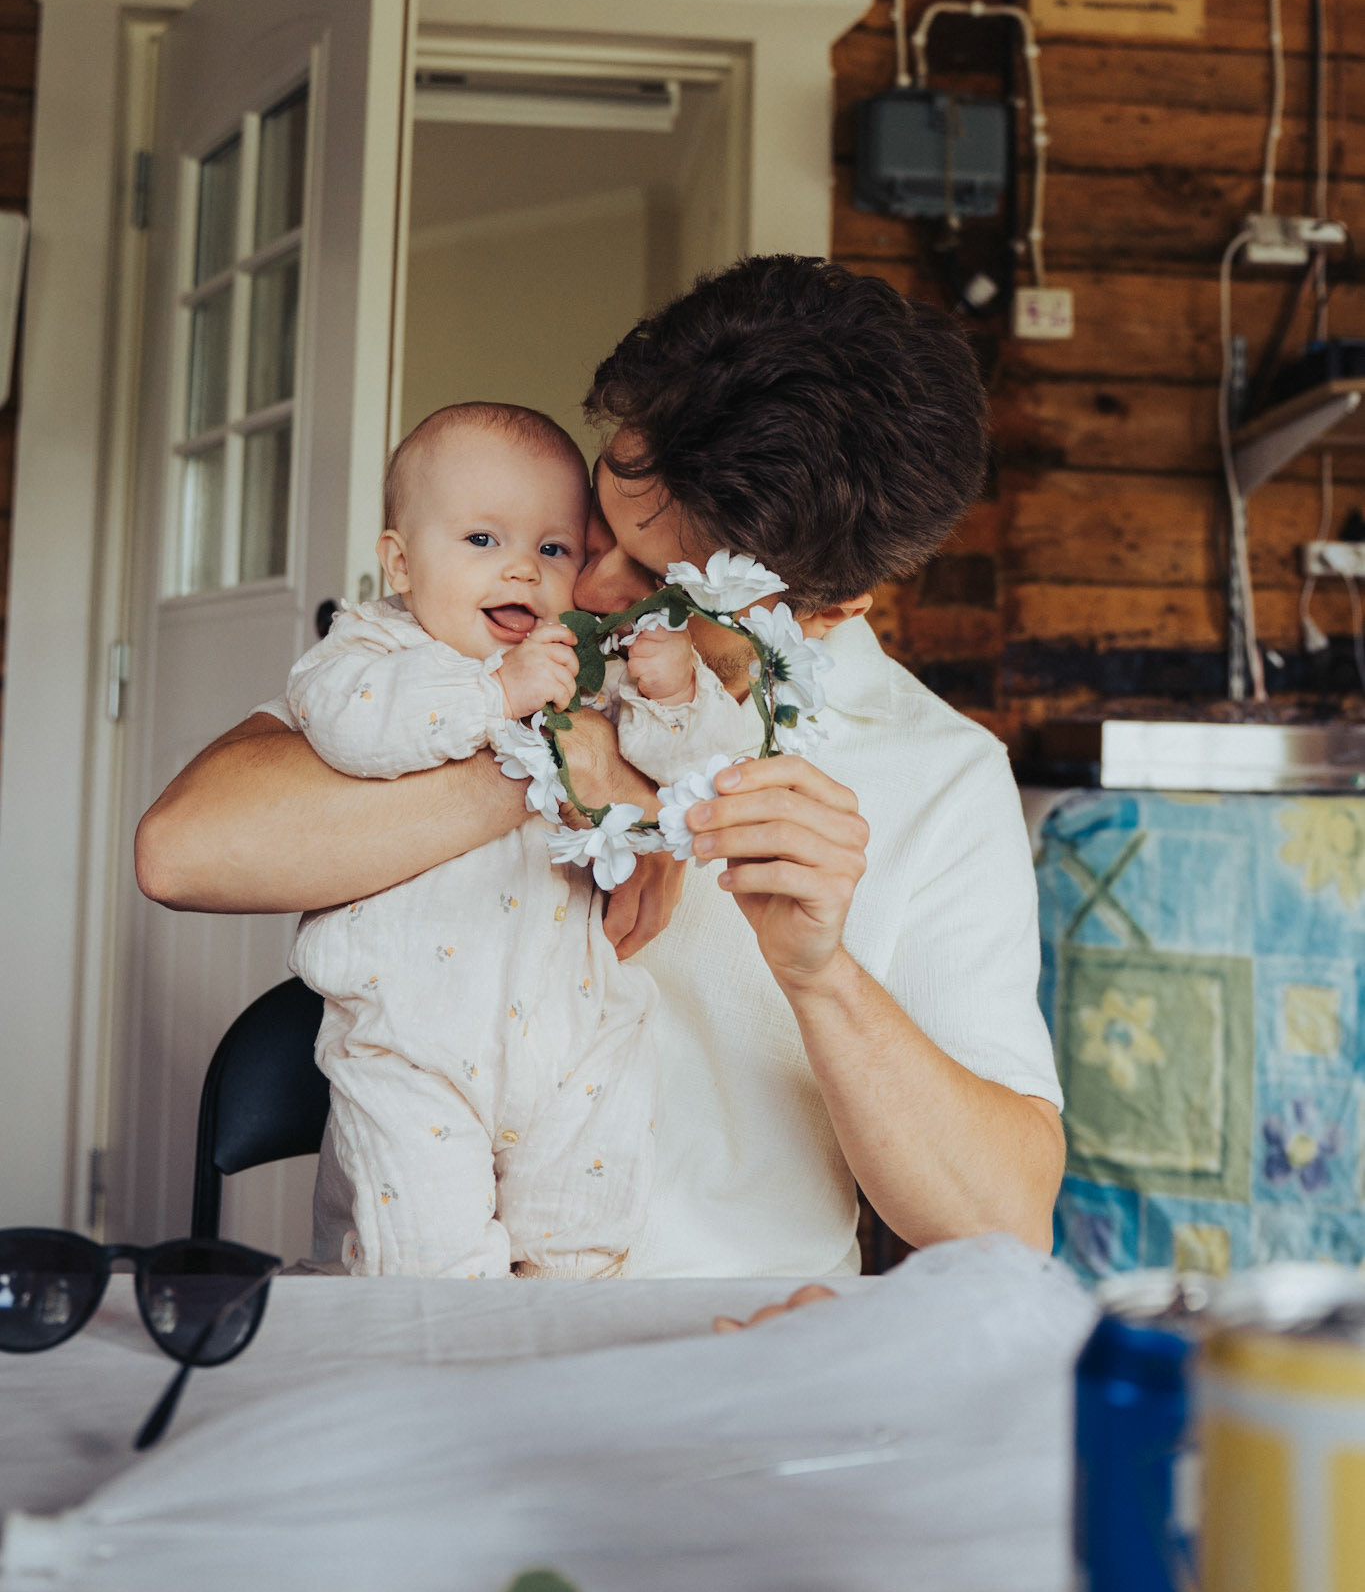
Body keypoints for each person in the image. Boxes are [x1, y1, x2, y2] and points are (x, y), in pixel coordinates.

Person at [137, 257, 1066, 1276]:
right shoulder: (479, 641)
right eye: (599, 525)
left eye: (660, 577)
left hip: (723, 1343)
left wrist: (821, 974)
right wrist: (564, 769)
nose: (588, 585)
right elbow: (184, 851)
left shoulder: (942, 776)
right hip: (429, 1313)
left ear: (828, 609)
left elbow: (1004, 1217)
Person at [285, 401, 748, 1277]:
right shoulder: (370, 648)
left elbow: (695, 779)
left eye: (553, 548)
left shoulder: (573, 663)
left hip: (574, 1030)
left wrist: (673, 694)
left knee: (578, 1252)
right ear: (399, 561)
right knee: (430, 1265)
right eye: (481, 540)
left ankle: (557, 1348)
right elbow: (351, 727)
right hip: (410, 1037)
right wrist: (495, 696)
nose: (522, 570)